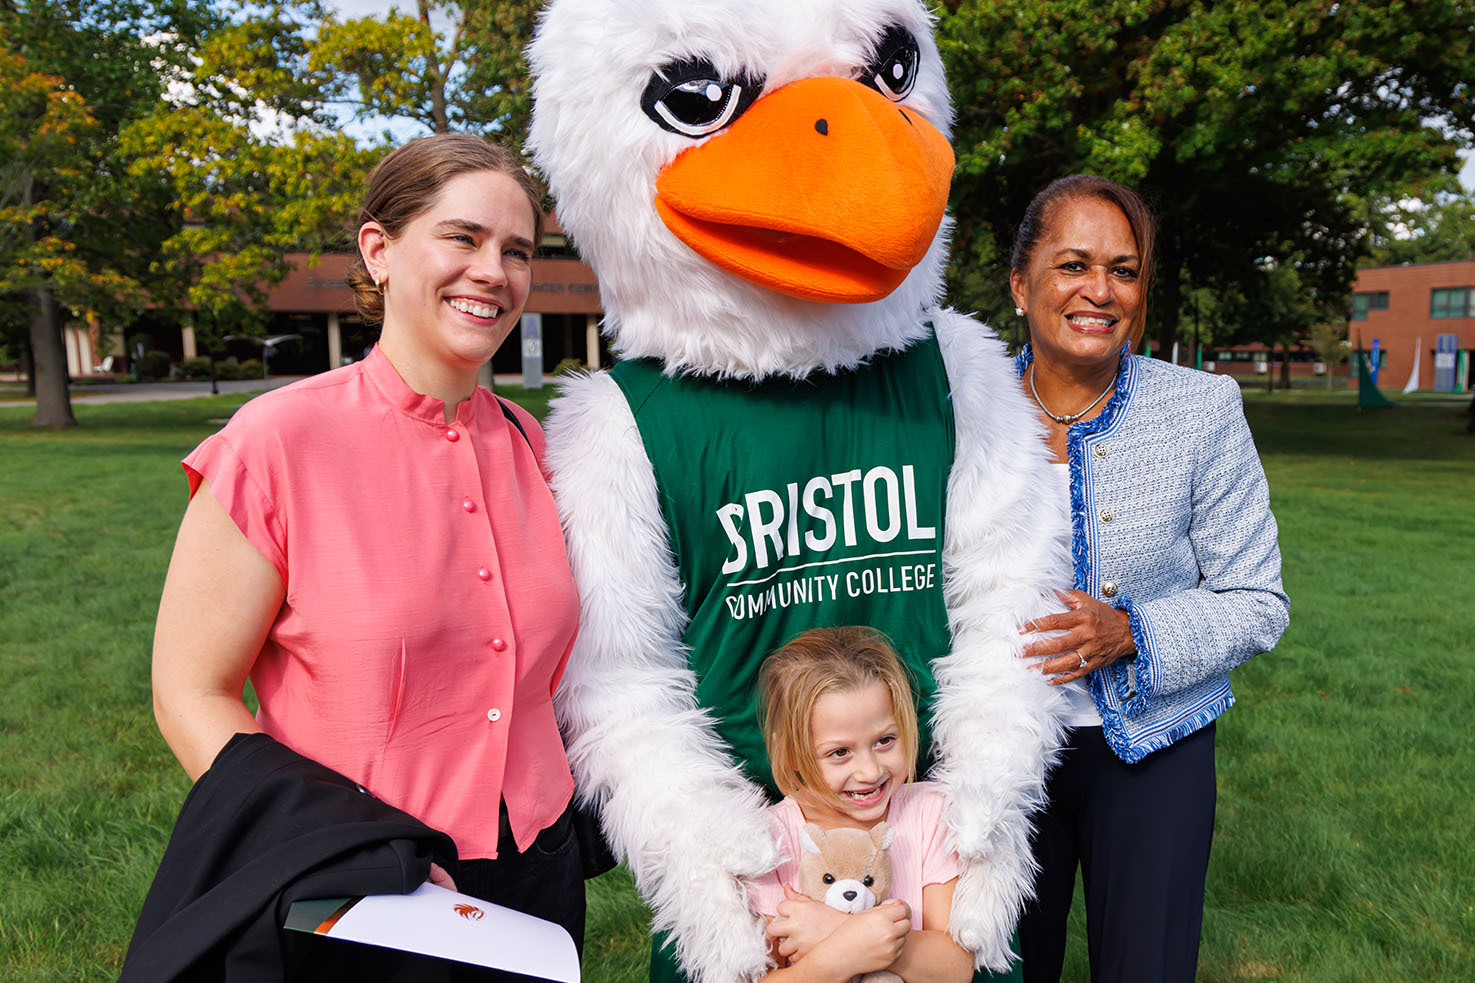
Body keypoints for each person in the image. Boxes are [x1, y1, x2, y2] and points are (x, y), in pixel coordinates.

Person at [150, 134, 585, 954]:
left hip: (539, 867)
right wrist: (331, 845)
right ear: (378, 251)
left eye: (517, 250)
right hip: (358, 883)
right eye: (461, 237)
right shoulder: (274, 442)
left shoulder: (537, 446)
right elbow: (189, 692)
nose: (493, 271)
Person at [1006, 174, 1289, 982]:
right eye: (1073, 265)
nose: (1099, 291)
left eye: (1123, 271)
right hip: (998, 749)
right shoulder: (960, 407)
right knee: (996, 963)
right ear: (1020, 284)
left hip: (1154, 744)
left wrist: (1131, 631)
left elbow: (1257, 600)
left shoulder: (1200, 409)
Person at [746, 627, 974, 983]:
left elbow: (955, 968)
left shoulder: (929, 813)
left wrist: (839, 929)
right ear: (791, 753)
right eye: (840, 752)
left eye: (885, 740)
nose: (870, 771)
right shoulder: (767, 840)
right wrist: (842, 953)